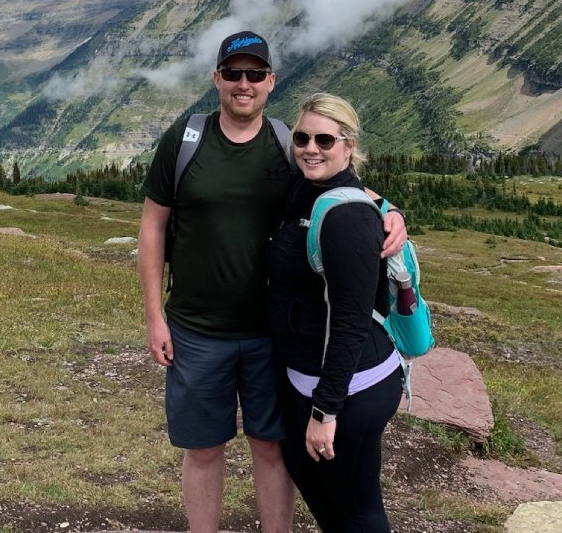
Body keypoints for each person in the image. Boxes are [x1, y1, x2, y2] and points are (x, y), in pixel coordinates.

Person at [137, 32, 407, 533]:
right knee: (203, 449)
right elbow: (153, 225)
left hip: (268, 336)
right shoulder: (186, 138)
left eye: (255, 74)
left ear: (270, 82)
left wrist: (388, 210)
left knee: (270, 446)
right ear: (217, 78)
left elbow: (334, 177)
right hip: (194, 328)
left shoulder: (287, 143)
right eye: (233, 73)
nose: (244, 84)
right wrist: (154, 317)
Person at [267, 93, 403, 533]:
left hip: (353, 388)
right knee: (311, 477)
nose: (310, 148)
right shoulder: (305, 188)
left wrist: (326, 413)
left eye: (324, 140)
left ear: (348, 145)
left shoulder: (347, 218)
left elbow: (349, 322)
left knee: (358, 507)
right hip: (308, 375)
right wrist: (390, 206)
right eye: (302, 137)